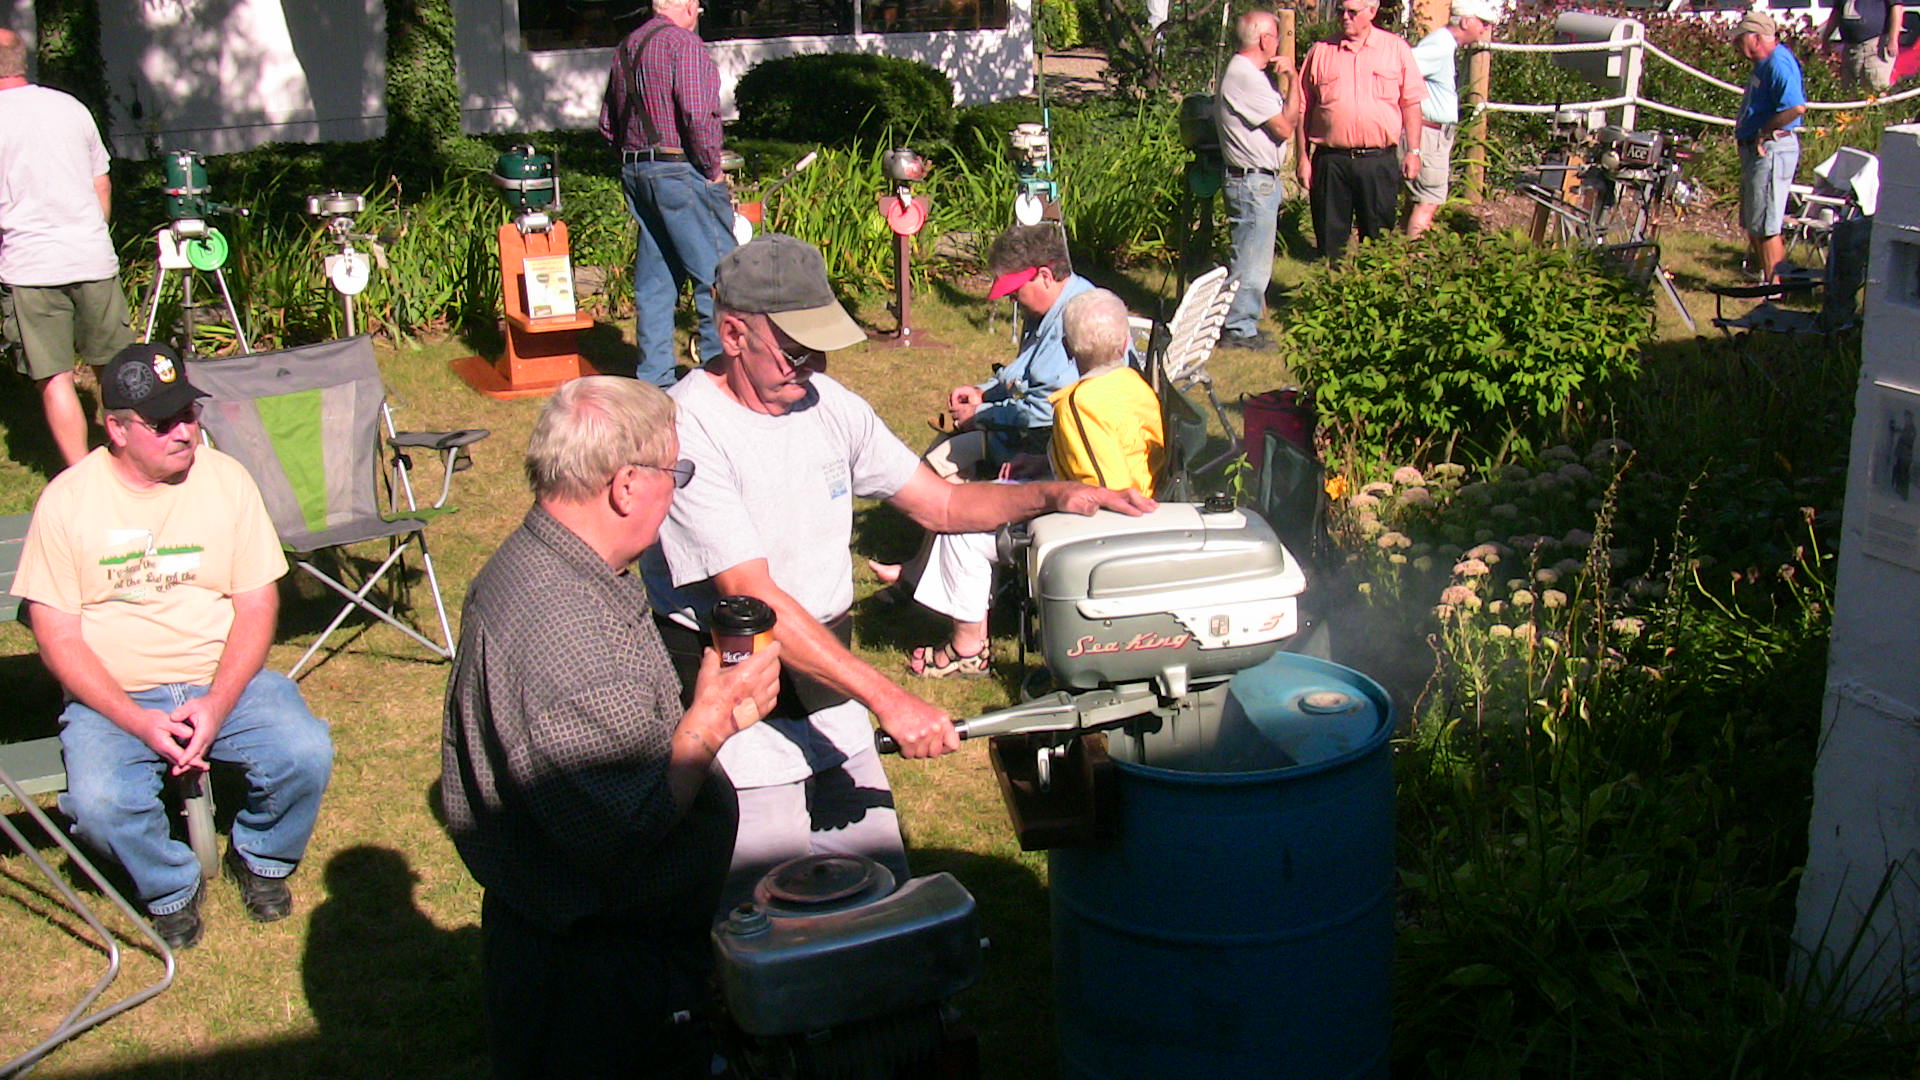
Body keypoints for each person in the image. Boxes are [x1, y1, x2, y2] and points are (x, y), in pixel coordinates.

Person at [645, 233, 1154, 907]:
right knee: (765, 916)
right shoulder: (689, 432)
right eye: (795, 350)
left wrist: (1056, 495)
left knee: (877, 899)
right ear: (733, 334)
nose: (813, 365)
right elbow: (754, 597)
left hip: (829, 700)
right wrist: (889, 698)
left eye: (820, 346)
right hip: (738, 716)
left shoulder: (827, 404)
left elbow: (940, 503)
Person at [442, 376, 781, 1080]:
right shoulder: (565, 627)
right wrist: (711, 719)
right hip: (599, 981)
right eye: (674, 474)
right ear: (627, 485)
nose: (676, 491)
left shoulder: (554, 566)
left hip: (581, 951)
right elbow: (624, 822)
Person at [10, 343, 334, 951]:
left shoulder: (227, 480)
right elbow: (56, 637)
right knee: (100, 805)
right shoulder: (68, 501)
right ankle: (169, 886)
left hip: (221, 679)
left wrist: (217, 702)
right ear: (117, 429)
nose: (184, 431)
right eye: (163, 422)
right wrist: (136, 720)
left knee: (304, 752)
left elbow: (257, 604)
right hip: (115, 697)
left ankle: (262, 856)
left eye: (189, 412)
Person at [901, 288, 1166, 678]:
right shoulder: (1134, 386)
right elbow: (1112, 457)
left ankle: (967, 649)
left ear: (1068, 349)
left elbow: (1103, 490)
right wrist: (1045, 463)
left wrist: (1044, 494)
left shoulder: (1080, 404)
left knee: (962, 528)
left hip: (1095, 529)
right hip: (1140, 506)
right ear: (1126, 341)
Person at [0, 28, 135, 468]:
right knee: (115, 371)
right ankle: (132, 460)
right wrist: (92, 235)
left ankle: (80, 477)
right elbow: (101, 183)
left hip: (29, 267)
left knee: (54, 378)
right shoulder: (70, 107)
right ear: (22, 60)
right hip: (91, 257)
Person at [600, 0, 734, 388]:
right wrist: (711, 167)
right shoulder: (683, 43)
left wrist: (635, 162)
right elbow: (696, 113)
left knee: (655, 281)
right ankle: (719, 377)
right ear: (689, 6)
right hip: (678, 169)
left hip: (636, 170)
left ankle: (655, 380)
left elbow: (608, 124)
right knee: (717, 275)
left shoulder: (627, 47)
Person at [930, 223, 1098, 476]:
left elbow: (1044, 412)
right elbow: (1026, 377)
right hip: (1035, 435)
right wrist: (984, 393)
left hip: (1053, 449)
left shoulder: (1075, 321)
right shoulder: (1046, 309)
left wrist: (979, 415)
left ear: (1045, 276)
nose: (1011, 298)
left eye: (1015, 289)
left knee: (938, 466)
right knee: (942, 452)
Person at [1297, 0, 1425, 263]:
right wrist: (1302, 158)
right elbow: (1303, 109)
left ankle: (1373, 286)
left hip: (1377, 161)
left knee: (1379, 241)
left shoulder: (1395, 49)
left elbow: (1411, 104)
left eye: (1352, 12)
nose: (1345, 17)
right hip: (1331, 161)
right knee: (1330, 242)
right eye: (1340, 11)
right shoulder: (1321, 52)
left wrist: (1414, 151)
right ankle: (1330, 285)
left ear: (1372, 12)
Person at [1214, 10, 1301, 349]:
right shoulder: (1245, 76)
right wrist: (1293, 79)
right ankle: (1239, 329)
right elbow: (1285, 127)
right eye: (1276, 37)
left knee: (1255, 257)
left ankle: (1243, 323)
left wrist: (1290, 82)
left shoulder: (1250, 75)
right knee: (1250, 259)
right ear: (1265, 39)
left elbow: (1287, 120)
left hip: (1257, 180)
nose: (1278, 44)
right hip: (1251, 181)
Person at [1405, 0, 1498, 238]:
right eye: (1483, 23)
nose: (1485, 29)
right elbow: (1403, 69)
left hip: (1432, 133)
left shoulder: (1444, 44)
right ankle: (1413, 255)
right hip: (1428, 133)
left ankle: (1401, 250)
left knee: (1418, 199)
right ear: (1465, 22)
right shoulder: (1440, 45)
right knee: (1428, 200)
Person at [1733, 10, 1808, 285]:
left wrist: (1764, 133)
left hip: (1772, 149)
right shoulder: (1764, 64)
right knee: (1755, 222)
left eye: (1739, 39)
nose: (1735, 45)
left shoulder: (1778, 63)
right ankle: (1766, 278)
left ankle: (1773, 288)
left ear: (1755, 38)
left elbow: (1796, 107)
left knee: (1766, 225)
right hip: (1756, 150)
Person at [1822, 0, 1904, 94]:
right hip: (1850, 49)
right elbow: (1836, 13)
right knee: (1850, 91)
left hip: (1875, 47)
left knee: (1875, 90)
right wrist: (1826, 38)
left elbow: (1896, 7)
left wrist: (1893, 39)